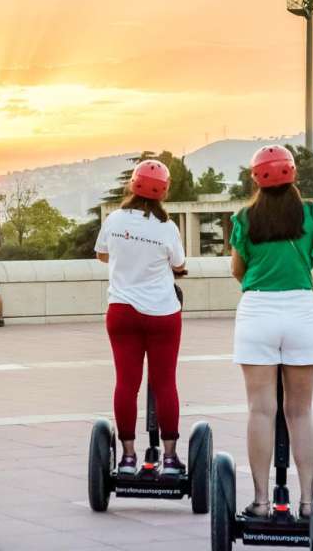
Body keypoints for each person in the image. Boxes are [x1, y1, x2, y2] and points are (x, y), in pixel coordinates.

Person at [230, 145, 313, 519]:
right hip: (301, 310)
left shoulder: (245, 218)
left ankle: (261, 501)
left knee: (261, 410)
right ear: (293, 175)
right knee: (300, 412)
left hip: (258, 311)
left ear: (255, 178)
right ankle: (307, 502)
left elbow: (238, 270)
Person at [94, 159, 188, 476]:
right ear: (163, 191)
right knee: (164, 384)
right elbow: (178, 263)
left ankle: (128, 456)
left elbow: (102, 254)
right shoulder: (167, 227)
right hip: (162, 313)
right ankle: (171, 458)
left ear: (132, 185)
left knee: (126, 383)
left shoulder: (115, 219)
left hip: (122, 311)